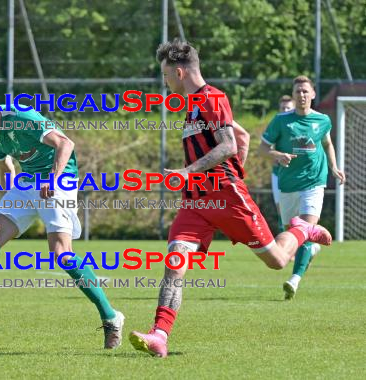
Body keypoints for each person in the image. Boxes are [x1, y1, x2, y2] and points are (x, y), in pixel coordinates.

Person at [128, 39, 332, 358]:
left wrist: (192, 170)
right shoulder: (193, 105)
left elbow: (227, 146)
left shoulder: (212, 98)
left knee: (278, 261)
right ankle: (159, 335)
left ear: (179, 72)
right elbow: (243, 137)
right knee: (174, 264)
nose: (165, 83)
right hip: (195, 203)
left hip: (226, 197)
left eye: (166, 76)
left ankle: (302, 230)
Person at [0, 95, 125, 349]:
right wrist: (11, 197)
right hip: (27, 183)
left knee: (62, 255)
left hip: (58, 179)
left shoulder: (23, 117)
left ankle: (111, 317)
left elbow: (65, 144)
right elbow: (6, 165)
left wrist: (53, 178)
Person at [260, 76, 346, 300]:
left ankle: (294, 280)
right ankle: (311, 250)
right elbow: (262, 148)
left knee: (305, 230)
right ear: (294, 93)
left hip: (314, 183)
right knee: (293, 234)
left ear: (313, 94)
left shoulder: (322, 120)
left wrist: (334, 167)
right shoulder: (281, 121)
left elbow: (327, 143)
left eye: (305, 91)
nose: (302, 95)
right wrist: (278, 155)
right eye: (298, 91)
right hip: (288, 185)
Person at [272, 95, 295, 233]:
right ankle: (286, 250)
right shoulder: (275, 125)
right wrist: (275, 156)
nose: (285, 109)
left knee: (297, 212)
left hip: (296, 174)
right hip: (278, 174)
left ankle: (303, 244)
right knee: (281, 210)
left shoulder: (298, 125)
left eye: (288, 107)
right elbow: (266, 148)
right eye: (283, 107)